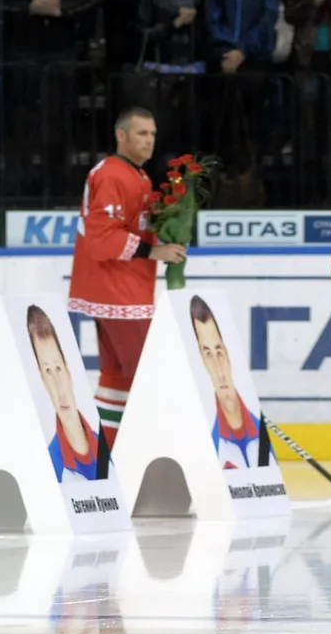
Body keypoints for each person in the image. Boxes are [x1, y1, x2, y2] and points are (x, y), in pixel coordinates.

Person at [68, 106, 187, 450]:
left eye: (152, 134)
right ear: (121, 136)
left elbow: (129, 228)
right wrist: (154, 252)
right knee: (148, 377)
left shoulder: (138, 176)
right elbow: (102, 238)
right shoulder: (112, 175)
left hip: (124, 289)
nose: (149, 141)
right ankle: (148, 455)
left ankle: (105, 455)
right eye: (141, 133)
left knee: (116, 379)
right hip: (118, 292)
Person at [26, 305, 108, 483]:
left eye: (58, 368)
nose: (58, 387)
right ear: (42, 380)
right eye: (48, 371)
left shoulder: (105, 452)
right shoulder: (52, 468)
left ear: (68, 371)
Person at [189, 295, 268, 470]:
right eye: (208, 354)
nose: (218, 370)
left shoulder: (261, 435)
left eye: (219, 352)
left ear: (228, 354)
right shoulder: (210, 448)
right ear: (201, 360)